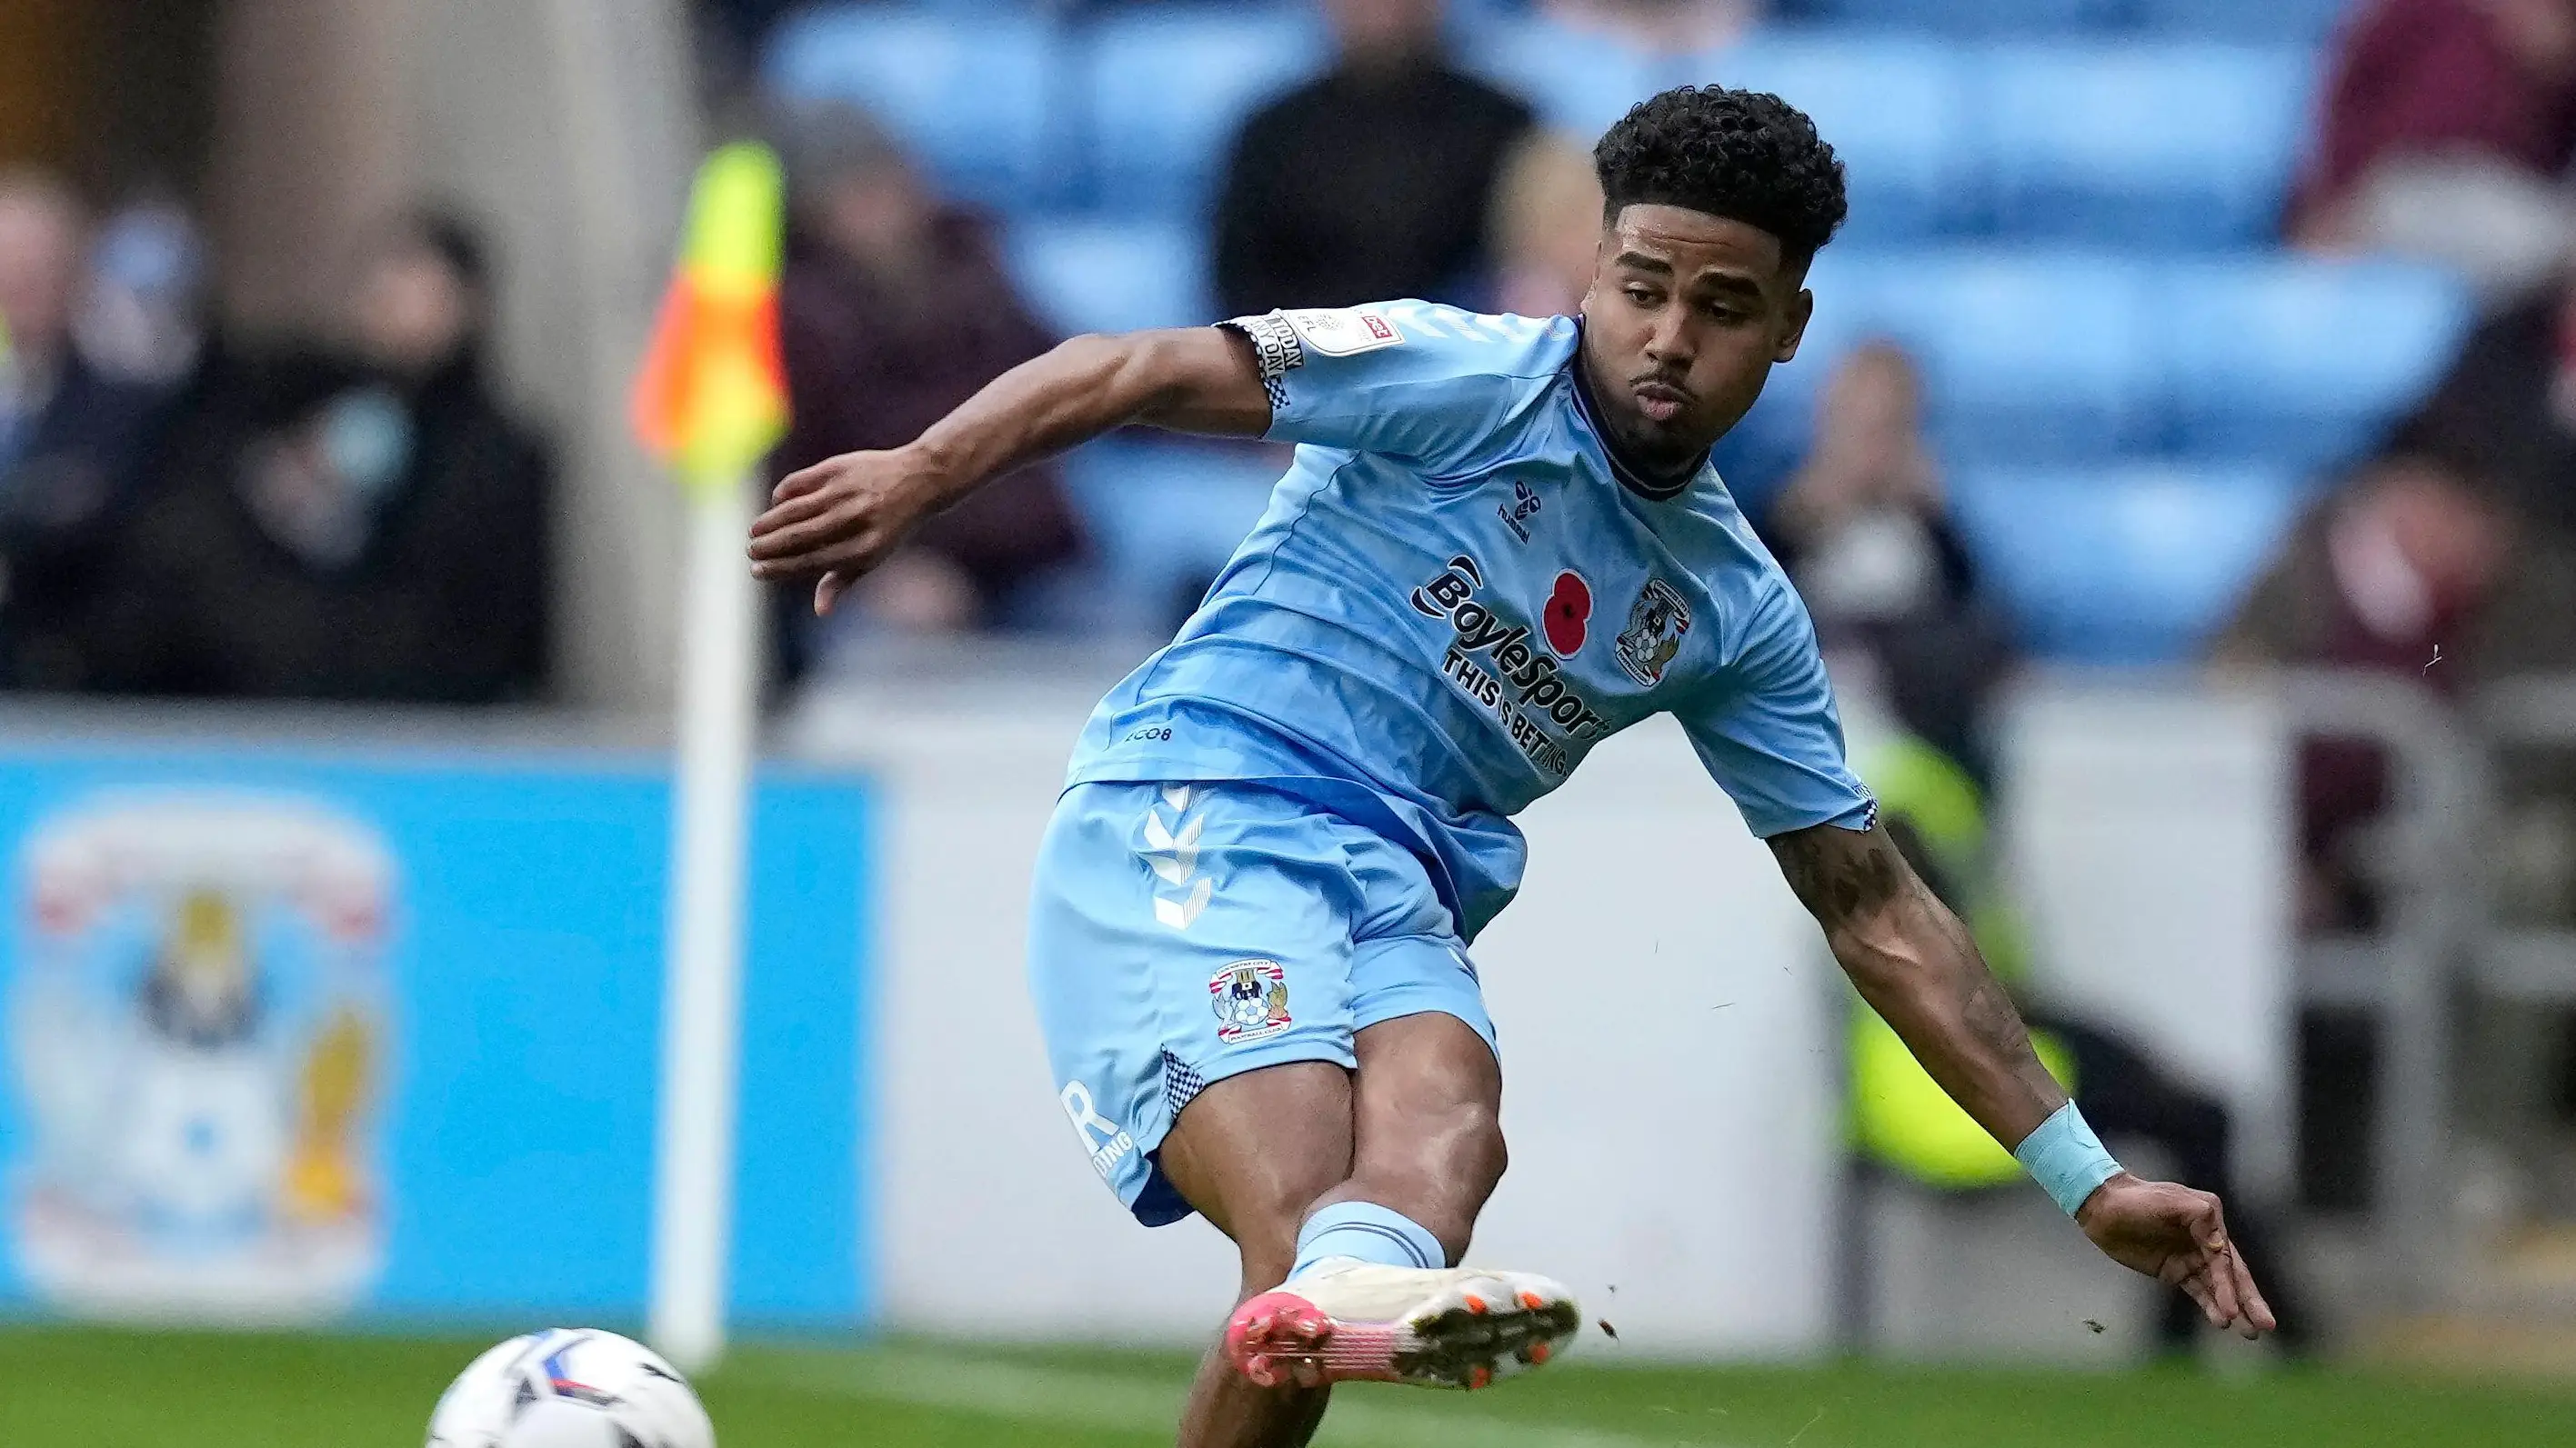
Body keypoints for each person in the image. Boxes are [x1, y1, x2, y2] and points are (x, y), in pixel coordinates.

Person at [750, 86, 2274, 1448]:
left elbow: (1874, 904)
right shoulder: (1458, 375)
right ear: (1592, 271)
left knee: (1447, 1127)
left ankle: (1362, 1282)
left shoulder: (1730, 609)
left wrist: (2083, 1173)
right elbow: (1141, 366)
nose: (1670, 336)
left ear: (1789, 326)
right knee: (1295, 1223)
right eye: (1642, 288)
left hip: (1397, 884)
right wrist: (917, 473)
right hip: (1194, 807)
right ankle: (1341, 1274)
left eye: (1724, 306)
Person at [84, 211, 553, 702]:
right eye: (382, 282)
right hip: (257, 676)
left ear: (469, 305)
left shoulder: (495, 453)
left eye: (419, 289)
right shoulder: (292, 392)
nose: (391, 302)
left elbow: (489, 624)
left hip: (410, 699)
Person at [770, 103, 1082, 655]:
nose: (880, 208)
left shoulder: (974, 271)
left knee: (1115, 639)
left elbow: (1070, 379)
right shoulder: (799, 320)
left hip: (1025, 559)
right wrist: (876, 571)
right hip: (883, 570)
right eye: (854, 194)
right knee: (883, 654)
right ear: (815, 212)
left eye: (886, 183)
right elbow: (787, 485)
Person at [1760, 342, 2015, 785]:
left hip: (1910, 735)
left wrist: (1933, 522)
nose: (1871, 448)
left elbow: (1980, 624)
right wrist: (1799, 524)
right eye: (1858, 427)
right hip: (1800, 724)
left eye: (1888, 429)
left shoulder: (1933, 529)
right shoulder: (1785, 515)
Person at [1212, 0, 1535, 319]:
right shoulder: (1271, 133)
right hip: (1306, 356)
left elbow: (1528, 276)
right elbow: (1242, 283)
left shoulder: (1503, 126)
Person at [0, 171, 168, 689]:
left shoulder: (126, 411)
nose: (20, 288)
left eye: (39, 270)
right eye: (8, 269)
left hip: (61, 684)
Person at [2288, 0, 2576, 296]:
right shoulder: (2421, 10)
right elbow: (2346, 102)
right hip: (2400, 187)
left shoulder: (2557, 21)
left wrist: (2552, 61)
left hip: (2515, 193)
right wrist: (2332, 199)